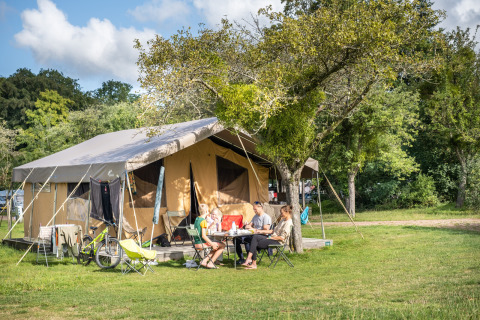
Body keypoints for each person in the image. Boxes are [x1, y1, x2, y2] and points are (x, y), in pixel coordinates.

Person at [241, 204, 293, 270]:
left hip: (277, 241)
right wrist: (260, 231)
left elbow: (282, 238)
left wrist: (271, 238)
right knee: (255, 237)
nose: (281, 214)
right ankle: (250, 259)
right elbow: (273, 231)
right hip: (272, 237)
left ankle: (252, 262)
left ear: (287, 212)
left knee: (254, 242)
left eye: (282, 213)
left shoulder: (288, 223)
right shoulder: (282, 220)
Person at [193, 204, 225, 269]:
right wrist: (212, 243)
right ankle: (211, 263)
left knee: (215, 247)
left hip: (196, 243)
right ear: (207, 211)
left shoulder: (197, 219)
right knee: (222, 245)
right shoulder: (203, 221)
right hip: (201, 244)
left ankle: (204, 261)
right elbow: (203, 235)